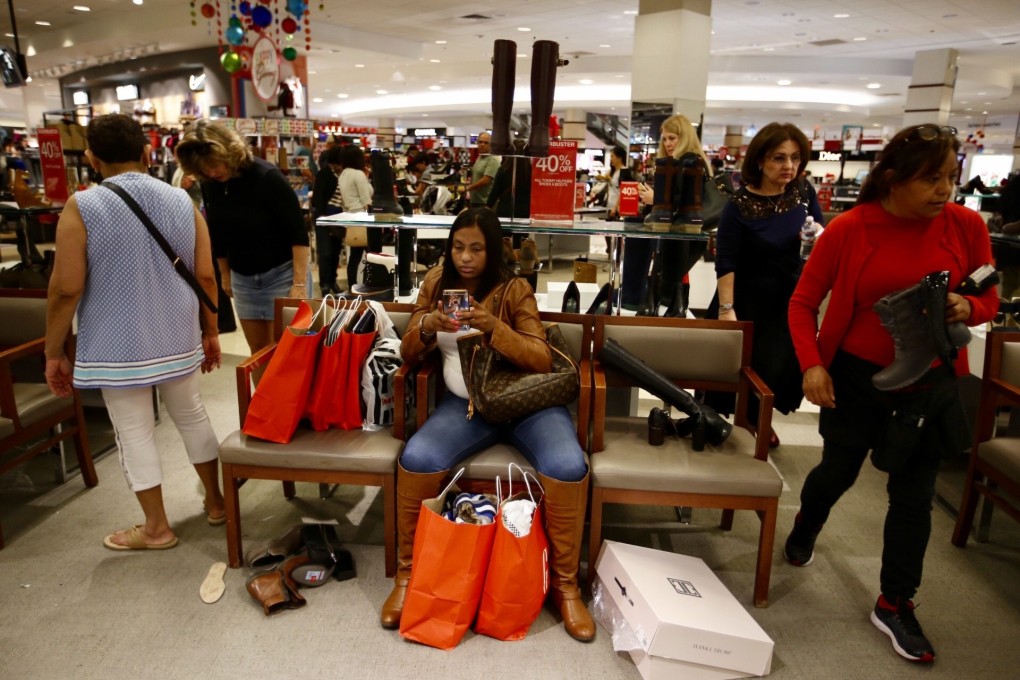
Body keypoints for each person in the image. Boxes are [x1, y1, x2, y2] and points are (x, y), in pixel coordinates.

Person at [785, 124, 998, 663]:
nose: (944, 190)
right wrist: (812, 365)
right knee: (838, 470)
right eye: (930, 179)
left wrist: (966, 308)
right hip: (856, 376)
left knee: (914, 494)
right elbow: (803, 303)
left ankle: (895, 601)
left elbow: (988, 295)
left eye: (951, 176)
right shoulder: (851, 228)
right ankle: (807, 523)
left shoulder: (966, 225)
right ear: (894, 178)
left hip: (930, 380)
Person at [379, 207, 594, 642]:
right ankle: (408, 575)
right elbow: (406, 351)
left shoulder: (515, 289)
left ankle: (565, 587)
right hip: (467, 407)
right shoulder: (436, 284)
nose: (466, 257)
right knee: (417, 457)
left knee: (569, 466)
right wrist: (426, 327)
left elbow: (541, 357)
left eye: (476, 248)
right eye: (458, 246)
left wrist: (493, 326)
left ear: (492, 249)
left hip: (527, 406)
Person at [43, 113, 224, 550]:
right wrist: (211, 331)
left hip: (114, 341)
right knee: (192, 415)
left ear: (90, 157)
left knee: (134, 431)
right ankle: (217, 503)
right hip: (178, 330)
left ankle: (157, 527)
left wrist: (54, 351)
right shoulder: (183, 200)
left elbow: (66, 287)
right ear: (147, 152)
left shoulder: (82, 206)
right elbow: (205, 275)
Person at [711, 122, 823, 445]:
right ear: (759, 160)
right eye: (779, 158)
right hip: (749, 297)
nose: (789, 166)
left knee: (779, 367)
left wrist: (817, 236)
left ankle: (761, 419)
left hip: (791, 297)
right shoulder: (739, 204)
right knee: (745, 367)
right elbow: (726, 261)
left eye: (795, 158)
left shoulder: (803, 192)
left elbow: (819, 232)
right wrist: (726, 309)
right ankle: (743, 422)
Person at [175, 120, 309, 357]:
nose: (212, 172)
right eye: (205, 169)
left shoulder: (267, 177)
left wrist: (298, 284)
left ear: (229, 152)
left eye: (215, 165)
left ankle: (286, 396)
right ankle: (263, 396)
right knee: (258, 351)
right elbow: (217, 232)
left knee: (289, 353)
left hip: (282, 274)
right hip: (243, 278)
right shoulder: (211, 184)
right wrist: (225, 274)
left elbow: (298, 233)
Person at [624, 114, 713, 315]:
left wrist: (656, 198)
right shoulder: (688, 162)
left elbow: (686, 202)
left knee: (667, 285)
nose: (668, 143)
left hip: (683, 234)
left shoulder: (690, 162)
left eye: (672, 138)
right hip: (680, 232)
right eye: (664, 139)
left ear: (685, 136)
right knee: (668, 285)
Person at [335, 143, 380, 289]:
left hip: (351, 217)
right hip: (363, 218)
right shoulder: (358, 174)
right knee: (372, 256)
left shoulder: (343, 175)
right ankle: (370, 285)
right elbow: (367, 200)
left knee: (354, 257)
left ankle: (351, 286)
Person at [311, 145, 346, 295]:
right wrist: (323, 217)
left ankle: (332, 281)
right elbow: (318, 199)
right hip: (324, 219)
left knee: (335, 251)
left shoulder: (343, 175)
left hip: (339, 219)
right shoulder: (324, 174)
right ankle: (324, 283)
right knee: (325, 252)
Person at [465, 132, 500, 207]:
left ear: (491, 145)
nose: (482, 144)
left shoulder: (493, 159)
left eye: (486, 142)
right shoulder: (480, 157)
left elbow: (486, 180)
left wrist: (468, 188)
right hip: (476, 200)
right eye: (480, 142)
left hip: (486, 202)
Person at [603, 145, 635, 220]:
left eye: (612, 156)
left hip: (617, 208)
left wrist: (616, 207)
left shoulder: (624, 171)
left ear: (619, 158)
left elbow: (624, 192)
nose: (611, 159)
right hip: (609, 205)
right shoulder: (612, 171)